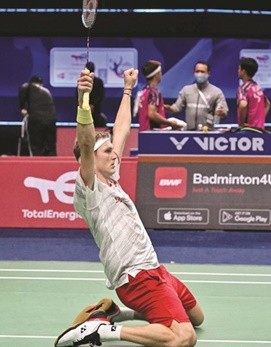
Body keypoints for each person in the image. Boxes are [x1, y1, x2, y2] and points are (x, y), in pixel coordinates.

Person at [54, 68, 204, 347]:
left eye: (113, 150)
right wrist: (83, 99)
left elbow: (122, 128)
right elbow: (86, 142)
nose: (115, 154)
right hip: (136, 278)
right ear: (90, 160)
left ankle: (116, 313)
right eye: (108, 152)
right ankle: (101, 331)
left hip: (157, 271)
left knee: (197, 317)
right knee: (184, 338)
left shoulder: (112, 178)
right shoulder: (90, 188)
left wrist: (127, 88)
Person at [166, 61, 229, 130]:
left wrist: (222, 113)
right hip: (189, 132)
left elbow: (223, 110)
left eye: (202, 72)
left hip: (208, 133)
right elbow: (177, 106)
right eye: (197, 71)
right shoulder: (186, 90)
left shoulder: (216, 92)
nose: (199, 74)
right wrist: (170, 109)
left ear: (209, 73)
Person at [135, 60, 183, 131]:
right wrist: (170, 123)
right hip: (153, 134)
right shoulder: (154, 93)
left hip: (143, 133)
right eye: (160, 72)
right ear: (157, 74)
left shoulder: (144, 91)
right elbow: (152, 114)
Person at [18, 75, 57, 156]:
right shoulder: (46, 91)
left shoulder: (27, 86)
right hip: (51, 121)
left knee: (36, 147)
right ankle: (53, 166)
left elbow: (23, 90)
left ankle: (37, 166)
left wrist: (22, 107)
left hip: (36, 120)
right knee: (50, 148)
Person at [237, 57, 271, 130]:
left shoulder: (243, 88)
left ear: (244, 71)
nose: (238, 71)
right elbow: (268, 104)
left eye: (239, 69)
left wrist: (241, 124)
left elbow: (243, 105)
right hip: (260, 129)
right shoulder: (258, 87)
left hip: (249, 130)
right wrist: (260, 121)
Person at [75, 61, 107, 128]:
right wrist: (85, 104)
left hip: (96, 110)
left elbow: (100, 95)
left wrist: (93, 105)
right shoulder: (82, 82)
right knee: (83, 126)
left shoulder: (98, 82)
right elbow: (78, 94)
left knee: (96, 126)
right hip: (83, 108)